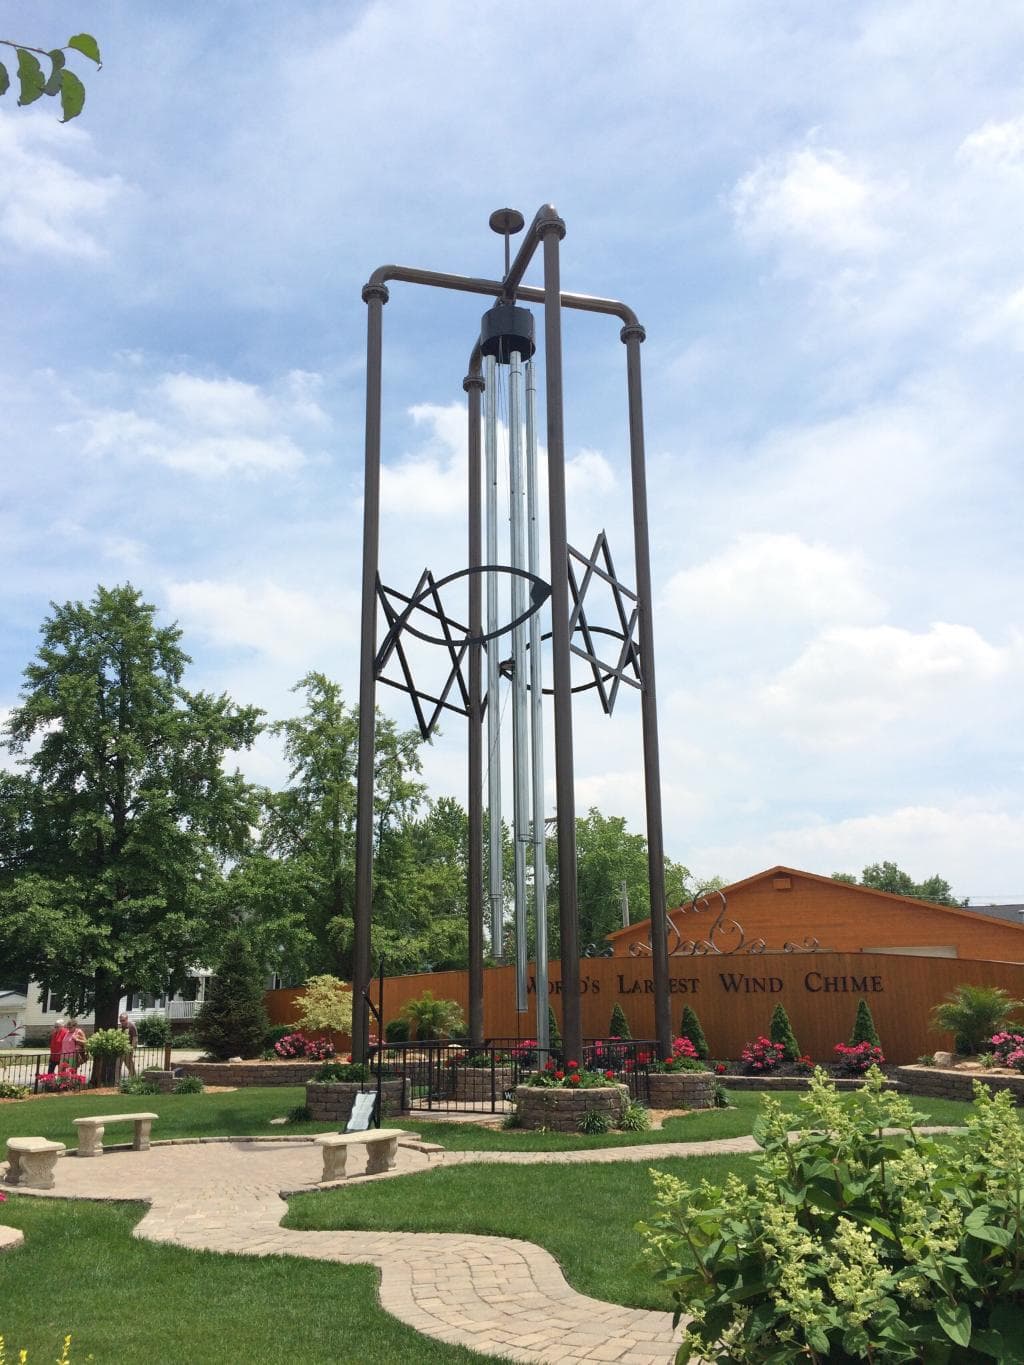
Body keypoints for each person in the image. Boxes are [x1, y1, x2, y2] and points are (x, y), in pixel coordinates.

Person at [118, 1011, 138, 1077]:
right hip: (121, 1050)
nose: (122, 1022)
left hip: (128, 1050)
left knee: (130, 1066)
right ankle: (117, 1082)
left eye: (123, 1020)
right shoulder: (121, 1027)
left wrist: (132, 1049)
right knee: (118, 1066)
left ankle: (134, 1079)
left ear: (127, 1019)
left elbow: (135, 1038)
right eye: (120, 1021)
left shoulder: (132, 1026)